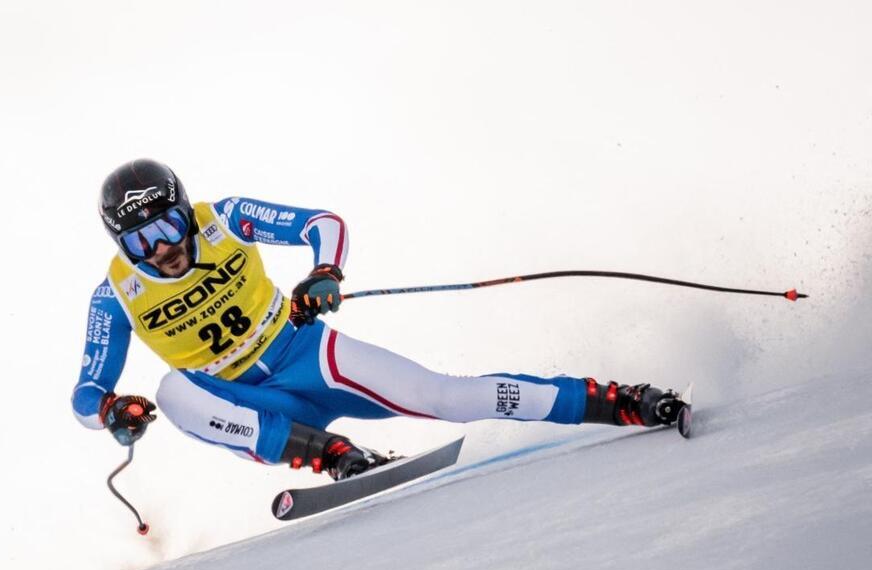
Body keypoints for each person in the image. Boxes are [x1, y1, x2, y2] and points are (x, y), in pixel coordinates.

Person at [72, 159, 684, 480]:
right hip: (251, 411)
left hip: (305, 356)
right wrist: (110, 412)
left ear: (184, 210)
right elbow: (84, 395)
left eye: (169, 228)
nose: (162, 250)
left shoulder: (225, 217)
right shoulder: (116, 295)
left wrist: (324, 273)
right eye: (141, 242)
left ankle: (623, 402)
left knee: (448, 395)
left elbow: (323, 225)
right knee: (173, 392)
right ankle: (335, 454)